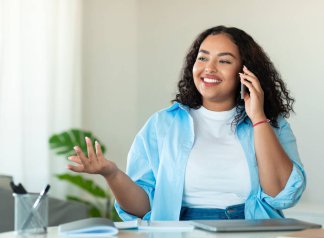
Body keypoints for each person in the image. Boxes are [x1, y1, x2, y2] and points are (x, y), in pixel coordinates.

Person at [67, 25, 306, 221]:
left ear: (245, 72)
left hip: (252, 234)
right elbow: (142, 208)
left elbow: (282, 194)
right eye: (202, 58)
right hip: (180, 237)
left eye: (224, 61)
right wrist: (111, 174)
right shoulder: (162, 125)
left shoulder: (270, 124)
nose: (209, 68)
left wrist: (258, 118)